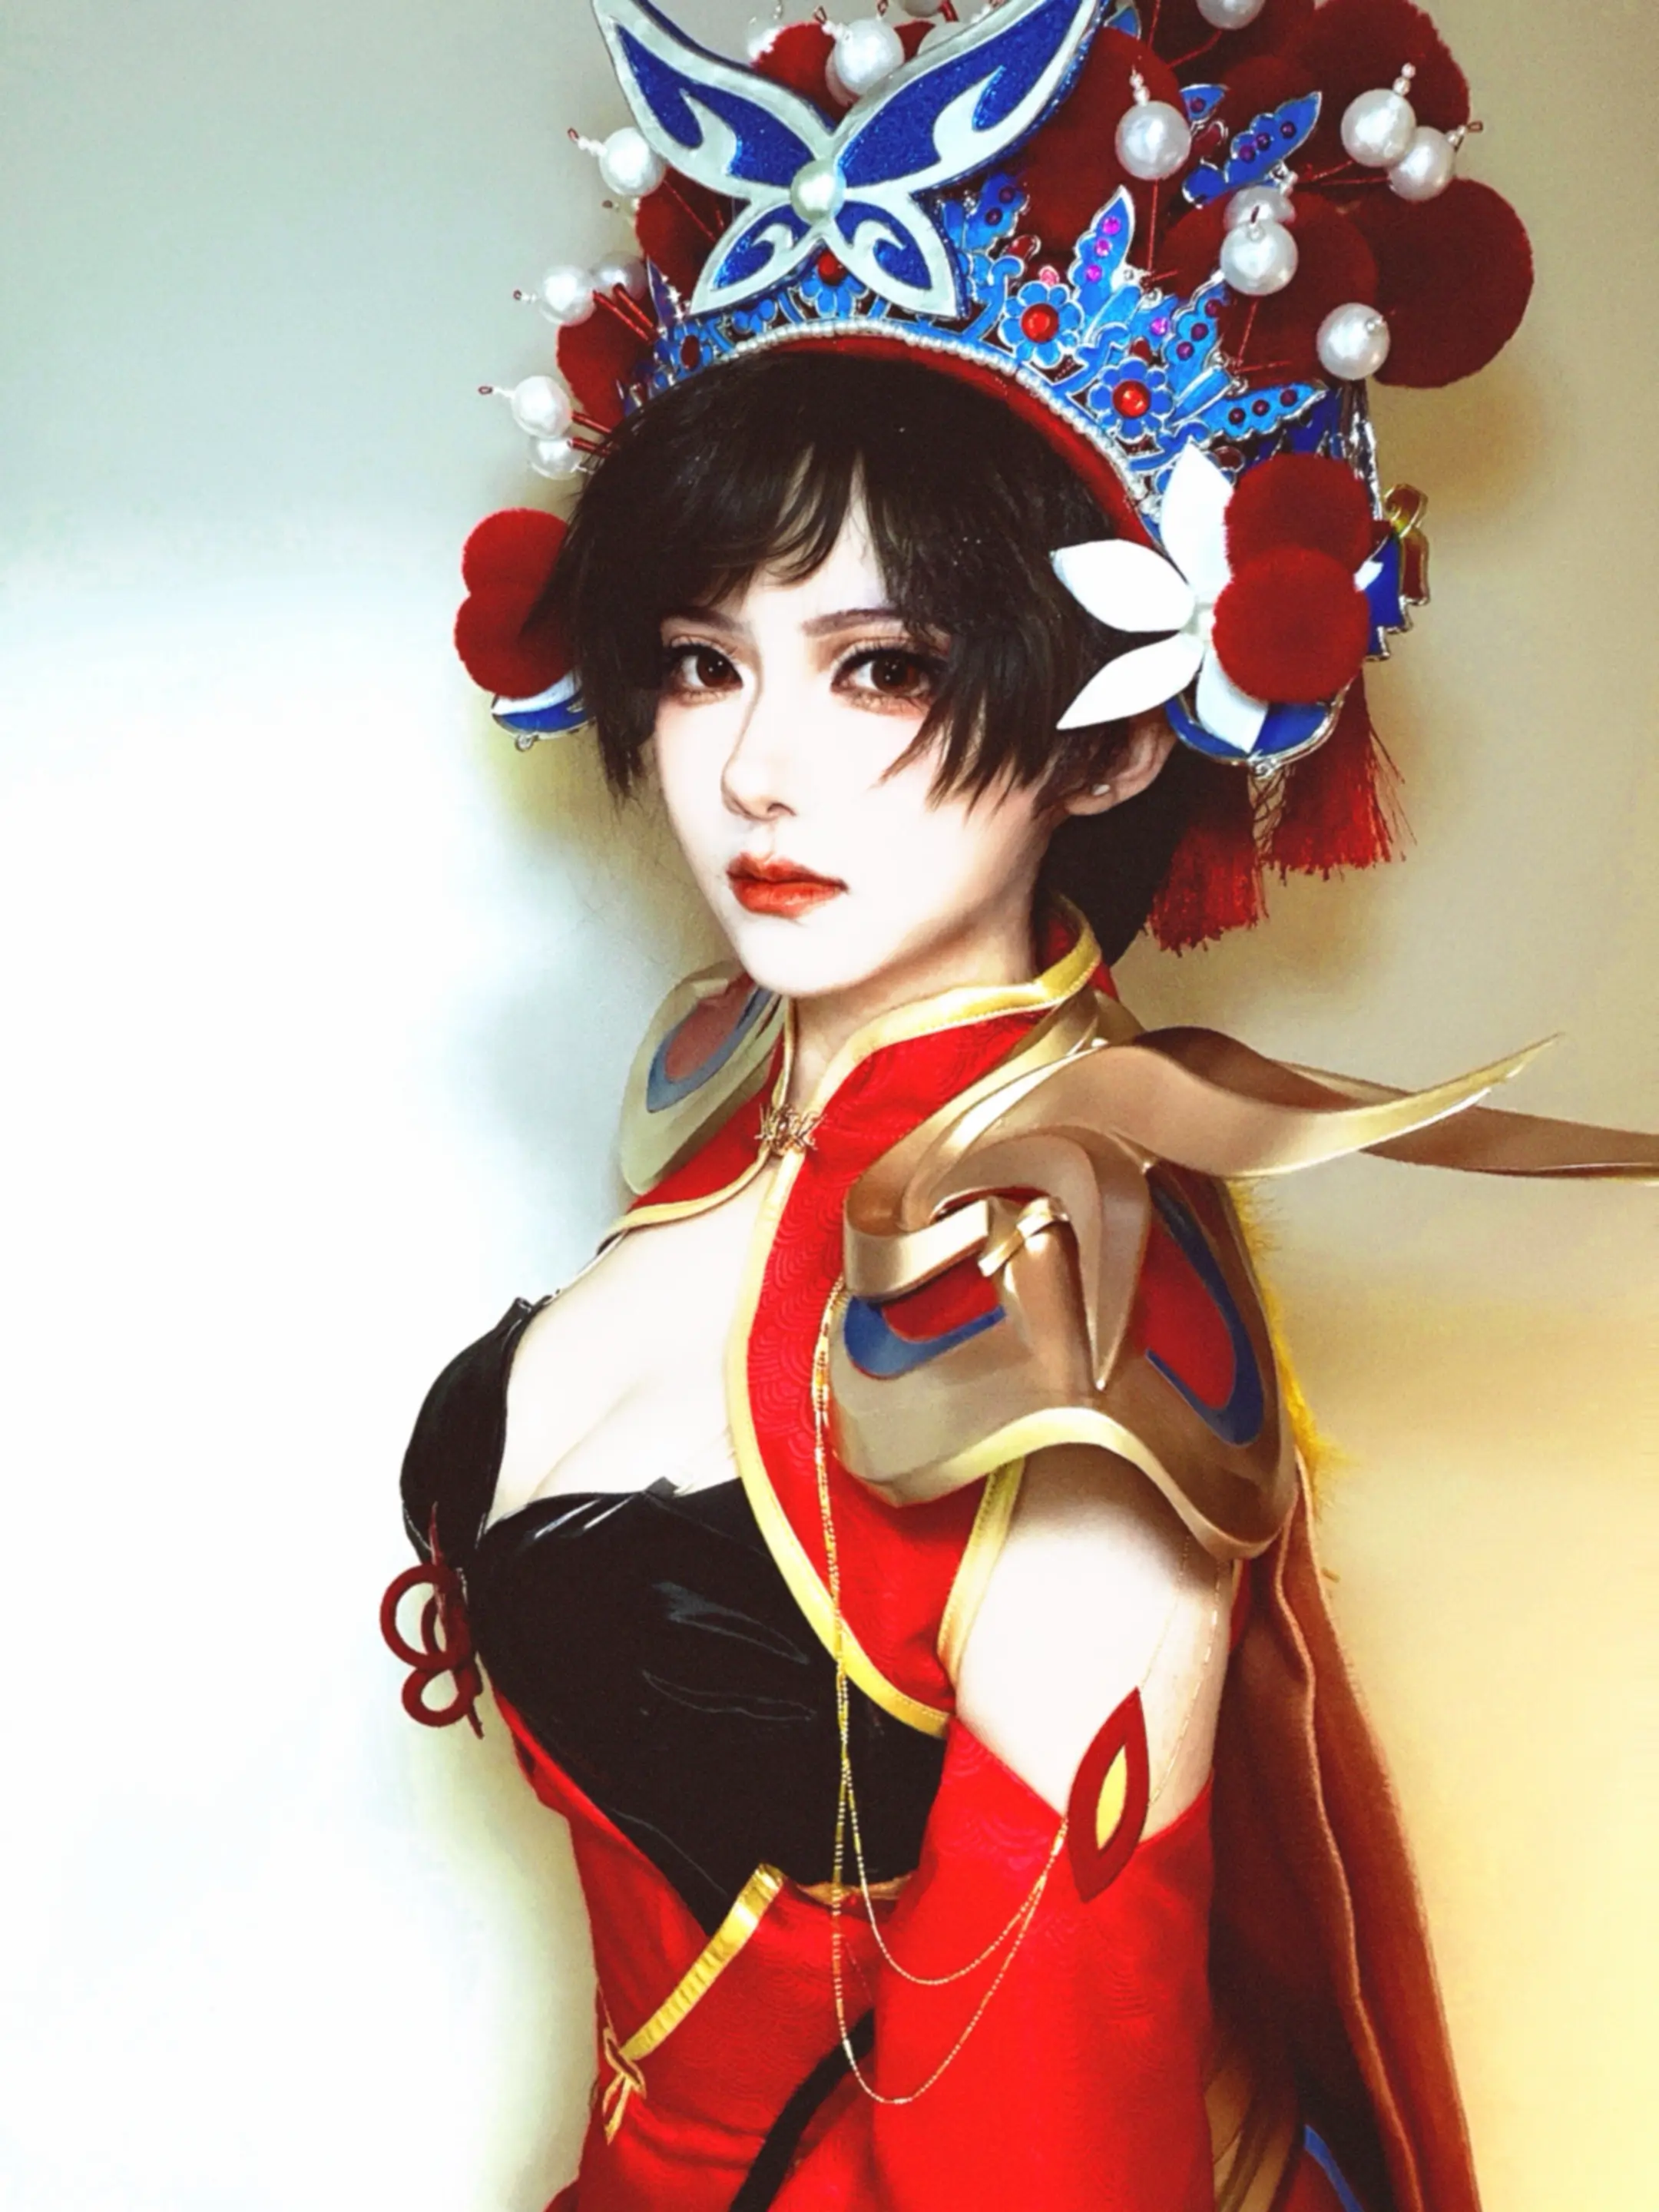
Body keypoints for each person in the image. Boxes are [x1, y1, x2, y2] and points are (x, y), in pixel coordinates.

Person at [382, 5, 1655, 2207]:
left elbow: (1039, 2120)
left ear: (1119, 738)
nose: (755, 768)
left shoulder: (1072, 1313)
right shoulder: (719, 1085)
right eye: (702, 659)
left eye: (881, 667)